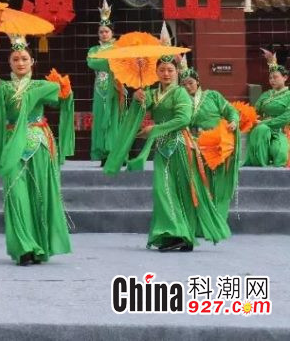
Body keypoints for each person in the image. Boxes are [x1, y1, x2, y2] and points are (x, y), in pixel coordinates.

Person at [105, 29, 230, 252]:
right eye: (162, 70)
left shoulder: (180, 93)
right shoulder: (153, 94)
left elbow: (184, 119)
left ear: (176, 72)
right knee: (163, 191)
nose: (166, 74)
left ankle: (182, 235)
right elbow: (136, 115)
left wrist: (155, 129)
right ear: (155, 72)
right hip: (162, 148)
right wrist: (137, 99)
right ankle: (173, 233)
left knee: (181, 192)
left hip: (180, 146)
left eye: (170, 70)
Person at [0, 34, 73, 265]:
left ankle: (39, 246)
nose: (20, 63)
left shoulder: (40, 86)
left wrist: (63, 87)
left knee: (40, 195)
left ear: (32, 61)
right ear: (9, 62)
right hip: (13, 145)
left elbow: (61, 95)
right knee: (16, 195)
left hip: (39, 144)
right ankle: (24, 247)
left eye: (24, 58)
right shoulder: (5, 87)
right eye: (15, 59)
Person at [178, 59, 239, 222]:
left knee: (217, 181)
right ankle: (200, 221)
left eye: (190, 83)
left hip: (216, 143)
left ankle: (218, 219)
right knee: (197, 182)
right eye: (184, 84)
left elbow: (230, 111)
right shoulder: (180, 101)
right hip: (192, 142)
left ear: (198, 82)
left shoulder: (212, 95)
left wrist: (234, 121)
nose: (187, 87)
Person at [87, 0, 123, 164]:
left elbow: (121, 64)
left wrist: (107, 60)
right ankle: (103, 153)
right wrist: (110, 61)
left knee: (115, 120)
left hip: (116, 88)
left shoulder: (119, 48)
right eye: (101, 32)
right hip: (100, 90)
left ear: (112, 33)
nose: (104, 34)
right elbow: (92, 63)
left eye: (106, 31)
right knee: (101, 119)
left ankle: (116, 152)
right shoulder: (93, 49)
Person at [243, 49, 290, 167]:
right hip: (263, 129)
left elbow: (286, 118)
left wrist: (264, 122)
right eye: (270, 78)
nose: (272, 80)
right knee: (261, 130)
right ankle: (260, 167)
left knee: (280, 153)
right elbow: (254, 111)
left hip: (281, 130)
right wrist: (245, 118)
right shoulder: (265, 95)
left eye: (275, 77)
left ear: (285, 77)